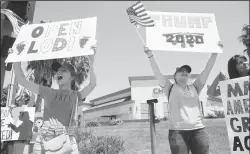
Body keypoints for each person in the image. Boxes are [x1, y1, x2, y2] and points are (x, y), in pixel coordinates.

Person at [12, 47, 97, 154]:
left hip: (67, 141)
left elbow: (92, 84)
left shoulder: (76, 95)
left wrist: (91, 61)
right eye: (58, 71)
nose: (58, 73)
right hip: (44, 139)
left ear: (72, 77)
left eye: (64, 71)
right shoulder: (48, 92)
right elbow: (22, 81)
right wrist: (15, 58)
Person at [143, 41, 223, 154]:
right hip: (177, 132)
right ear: (174, 76)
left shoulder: (195, 86)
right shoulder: (169, 87)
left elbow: (207, 70)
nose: (184, 72)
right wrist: (150, 56)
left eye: (186, 71)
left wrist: (215, 53)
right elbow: (157, 72)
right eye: (181, 71)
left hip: (198, 130)